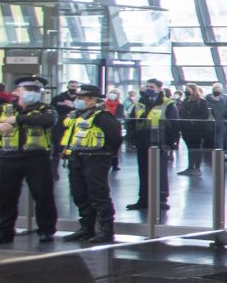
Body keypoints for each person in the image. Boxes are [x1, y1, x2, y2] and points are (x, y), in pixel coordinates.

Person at [0, 76, 59, 245]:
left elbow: (48, 121)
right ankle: (3, 232)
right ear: (17, 91)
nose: (32, 93)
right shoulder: (4, 109)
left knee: (43, 197)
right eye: (28, 90)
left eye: (36, 91)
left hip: (37, 159)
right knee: (6, 198)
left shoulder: (45, 109)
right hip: (8, 159)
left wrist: (18, 119)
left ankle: (46, 231)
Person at [59, 84, 121, 244]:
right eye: (78, 97)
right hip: (76, 158)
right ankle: (86, 228)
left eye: (82, 98)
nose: (78, 100)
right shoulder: (76, 116)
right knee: (80, 194)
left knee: (98, 194)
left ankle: (106, 230)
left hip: (96, 158)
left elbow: (115, 137)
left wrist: (107, 153)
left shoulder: (102, 116)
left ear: (93, 99)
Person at [125, 80, 174, 212]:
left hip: (160, 142)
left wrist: (171, 143)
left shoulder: (167, 104)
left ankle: (161, 199)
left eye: (151, 87)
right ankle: (144, 199)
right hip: (142, 142)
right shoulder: (139, 103)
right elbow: (131, 121)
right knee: (143, 171)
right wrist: (131, 138)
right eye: (147, 87)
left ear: (159, 88)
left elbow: (173, 124)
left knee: (160, 172)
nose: (148, 89)